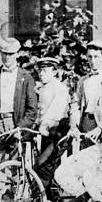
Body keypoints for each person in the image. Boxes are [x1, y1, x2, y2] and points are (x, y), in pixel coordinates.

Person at [68, 39, 102, 139]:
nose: (93, 61)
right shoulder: (82, 81)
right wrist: (74, 126)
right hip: (85, 124)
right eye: (90, 57)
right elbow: (75, 104)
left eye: (96, 57)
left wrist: (101, 128)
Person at [33, 56, 70, 184]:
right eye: (39, 71)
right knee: (43, 165)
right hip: (44, 133)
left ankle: (48, 198)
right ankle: (48, 199)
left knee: (44, 165)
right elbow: (39, 112)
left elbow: (56, 111)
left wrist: (44, 124)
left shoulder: (60, 88)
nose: (41, 74)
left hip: (57, 133)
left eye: (45, 71)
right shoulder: (41, 88)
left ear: (54, 72)